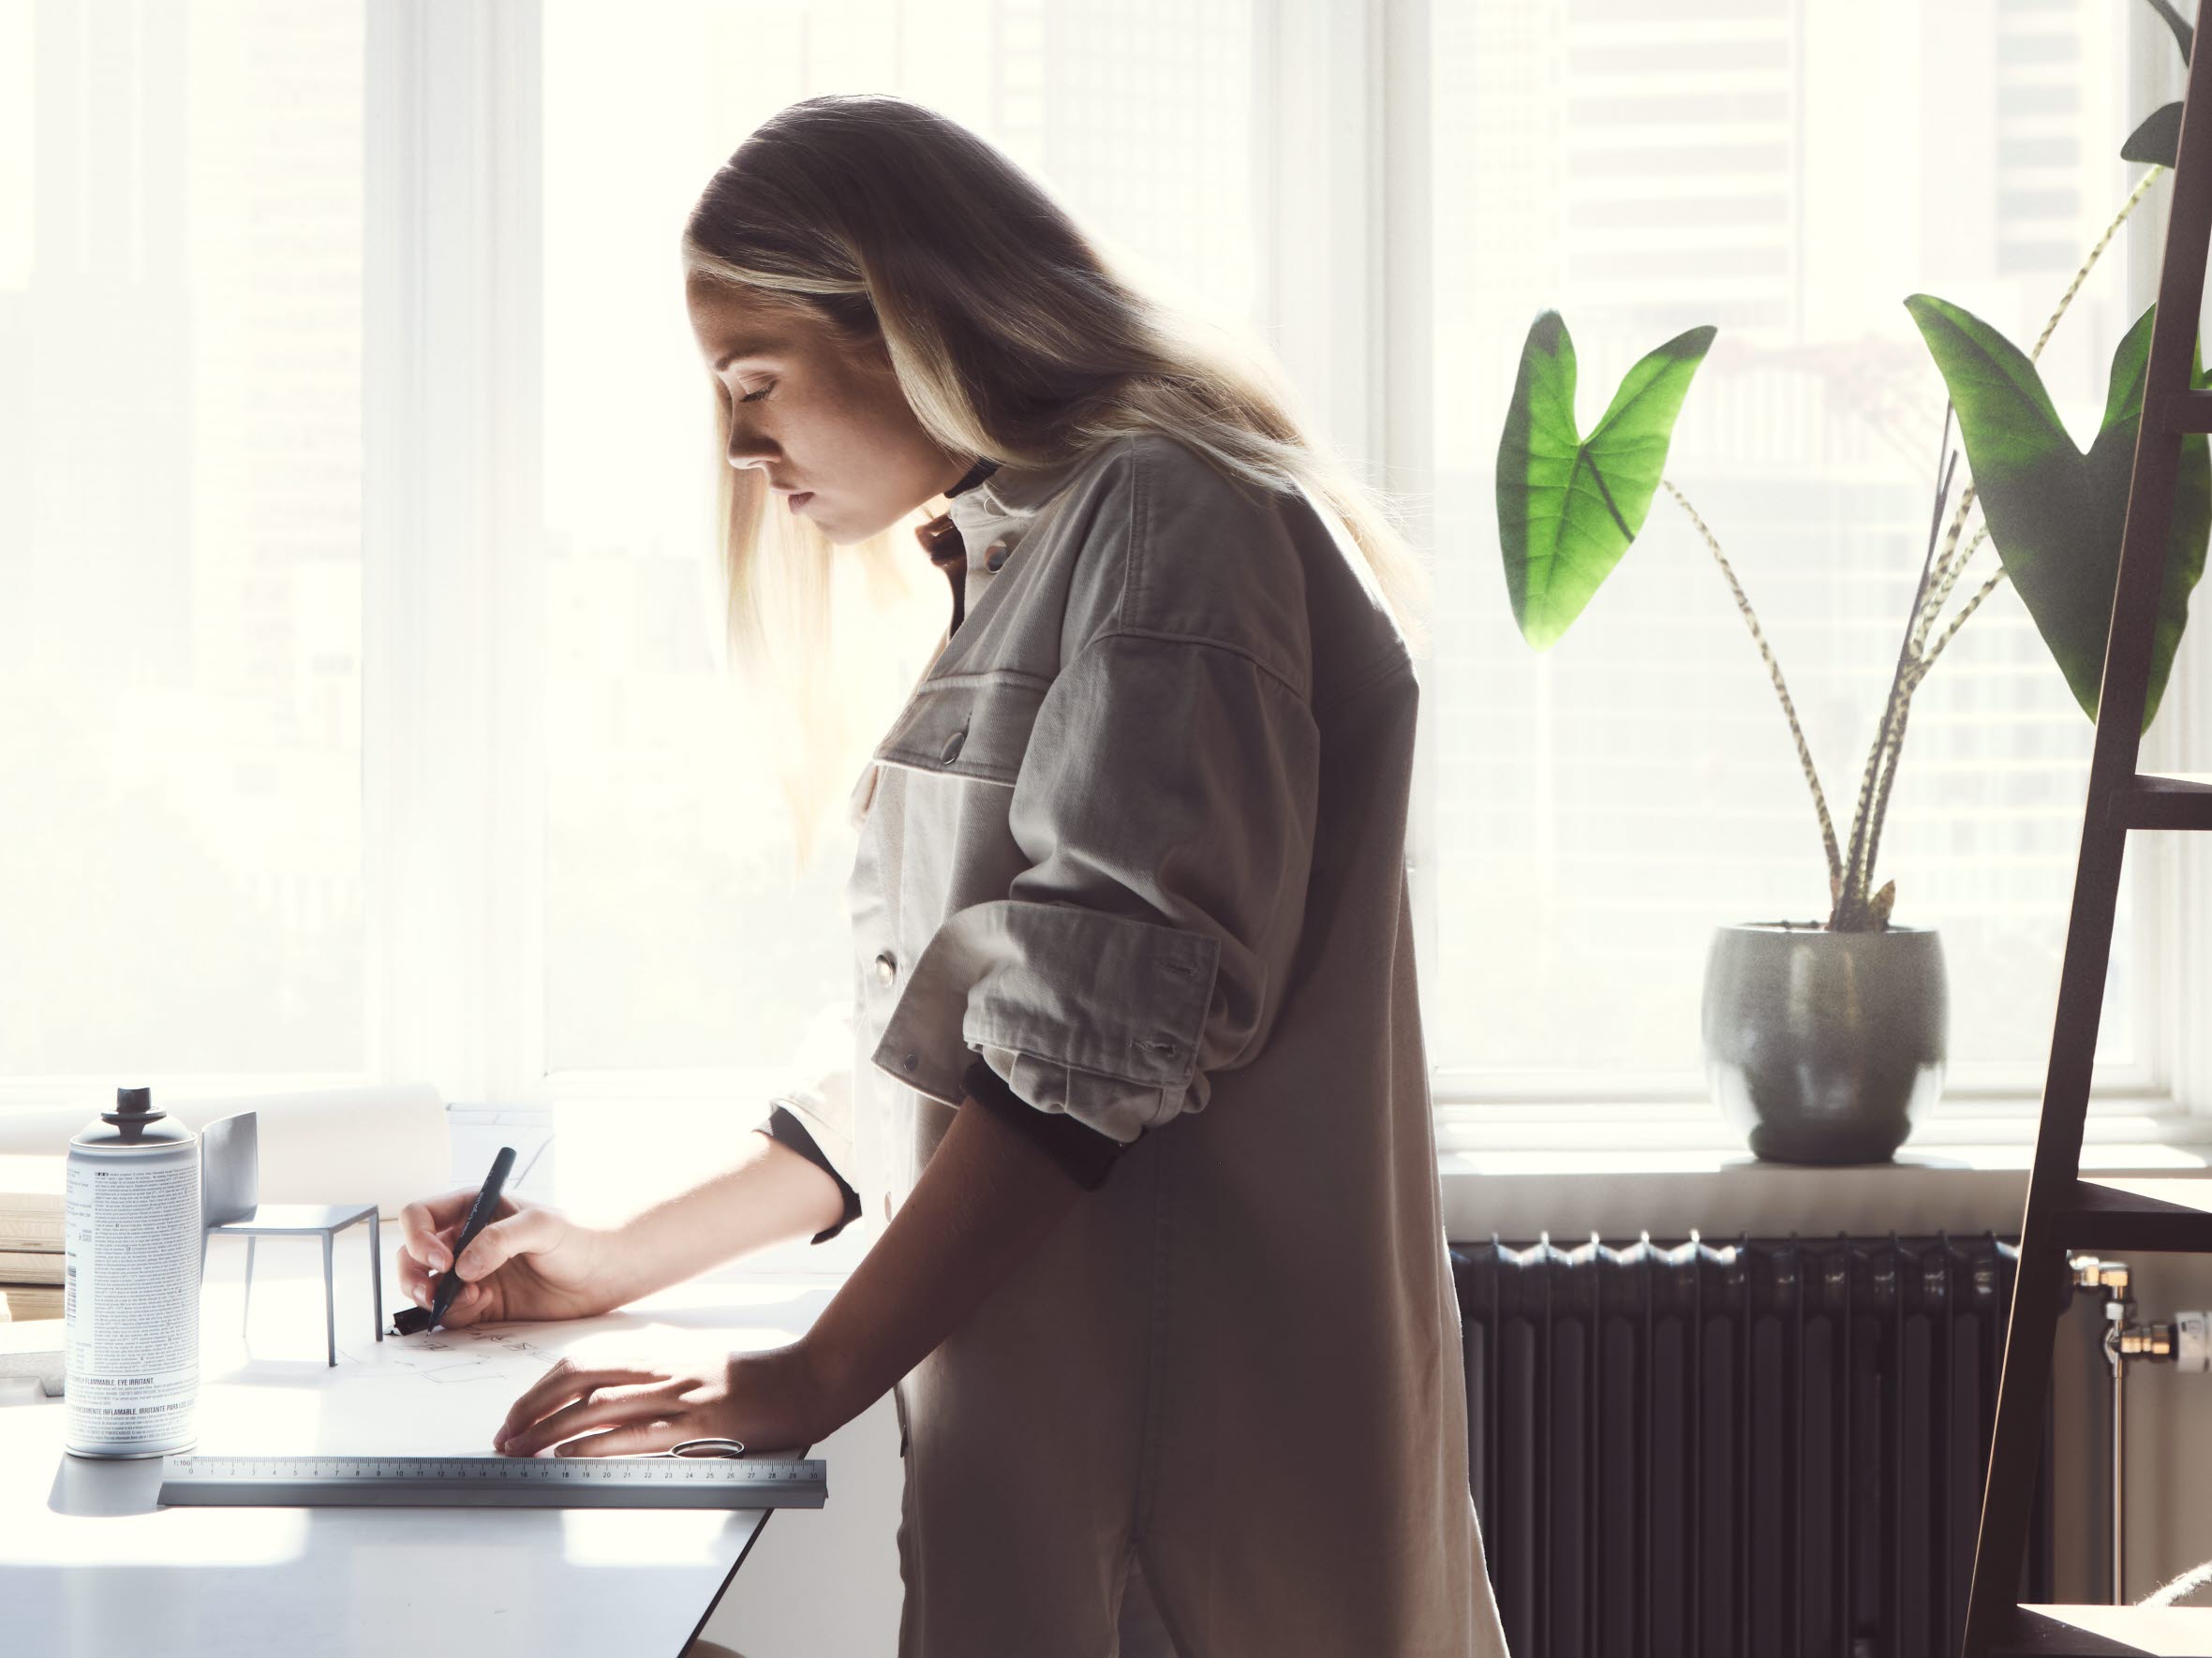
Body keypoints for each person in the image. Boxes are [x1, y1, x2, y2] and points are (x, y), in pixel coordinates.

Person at [396, 92, 1510, 1658]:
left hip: (1180, 1470)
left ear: (907, 319)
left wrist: (805, 1377)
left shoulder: (1167, 522)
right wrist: (611, 1258)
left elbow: (1074, 1069)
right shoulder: (1034, 545)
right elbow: (945, 1049)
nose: (739, 447)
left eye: (754, 382)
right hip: (1065, 1450)